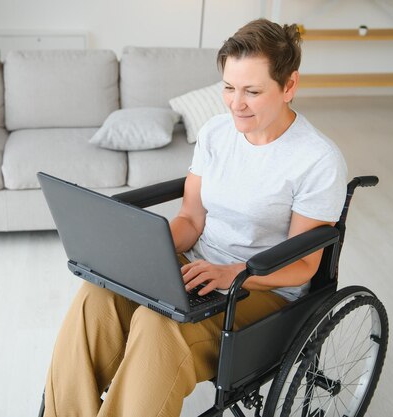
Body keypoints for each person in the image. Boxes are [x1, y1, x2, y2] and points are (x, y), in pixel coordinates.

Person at [43, 18, 347, 417]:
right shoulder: (216, 133)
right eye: (228, 87)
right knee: (96, 298)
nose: (236, 103)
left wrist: (232, 274)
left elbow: (305, 265)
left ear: (289, 86)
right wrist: (142, 254)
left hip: (263, 290)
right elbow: (191, 219)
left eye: (252, 91)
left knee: (158, 327)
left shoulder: (317, 159)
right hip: (197, 268)